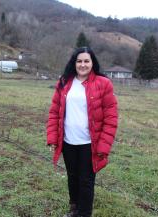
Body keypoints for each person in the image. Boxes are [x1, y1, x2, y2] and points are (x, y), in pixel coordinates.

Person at [46, 47, 118, 217]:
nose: (83, 64)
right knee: (72, 177)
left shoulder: (103, 83)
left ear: (92, 63)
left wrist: (103, 147)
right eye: (79, 61)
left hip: (89, 144)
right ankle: (75, 209)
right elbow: (54, 111)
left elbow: (111, 117)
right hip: (68, 141)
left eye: (87, 61)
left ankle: (84, 213)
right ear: (74, 62)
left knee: (86, 181)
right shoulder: (64, 82)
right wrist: (52, 138)